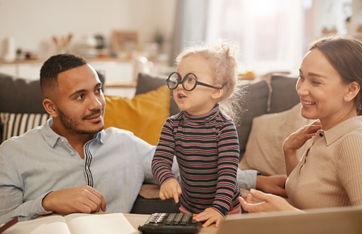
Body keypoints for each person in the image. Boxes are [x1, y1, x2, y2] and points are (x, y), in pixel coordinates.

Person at [0, 54, 286, 225]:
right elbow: (3, 221)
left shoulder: (126, 144)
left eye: (98, 90)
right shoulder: (13, 153)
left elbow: (191, 168)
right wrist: (47, 201)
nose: (97, 104)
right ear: (50, 107)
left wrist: (256, 180)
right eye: (80, 96)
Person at [238, 36, 362, 234]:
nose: (301, 89)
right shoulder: (325, 134)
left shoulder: (355, 142)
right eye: (301, 77)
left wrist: (287, 215)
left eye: (316, 81)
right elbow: (307, 198)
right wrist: (289, 151)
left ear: (351, 90)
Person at [151, 42, 244, 228]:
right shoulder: (172, 126)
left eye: (190, 80)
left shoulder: (224, 128)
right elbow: (159, 160)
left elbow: (228, 174)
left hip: (227, 211)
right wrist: (167, 178)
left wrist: (219, 209)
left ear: (216, 90)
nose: (179, 86)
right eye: (177, 79)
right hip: (189, 208)